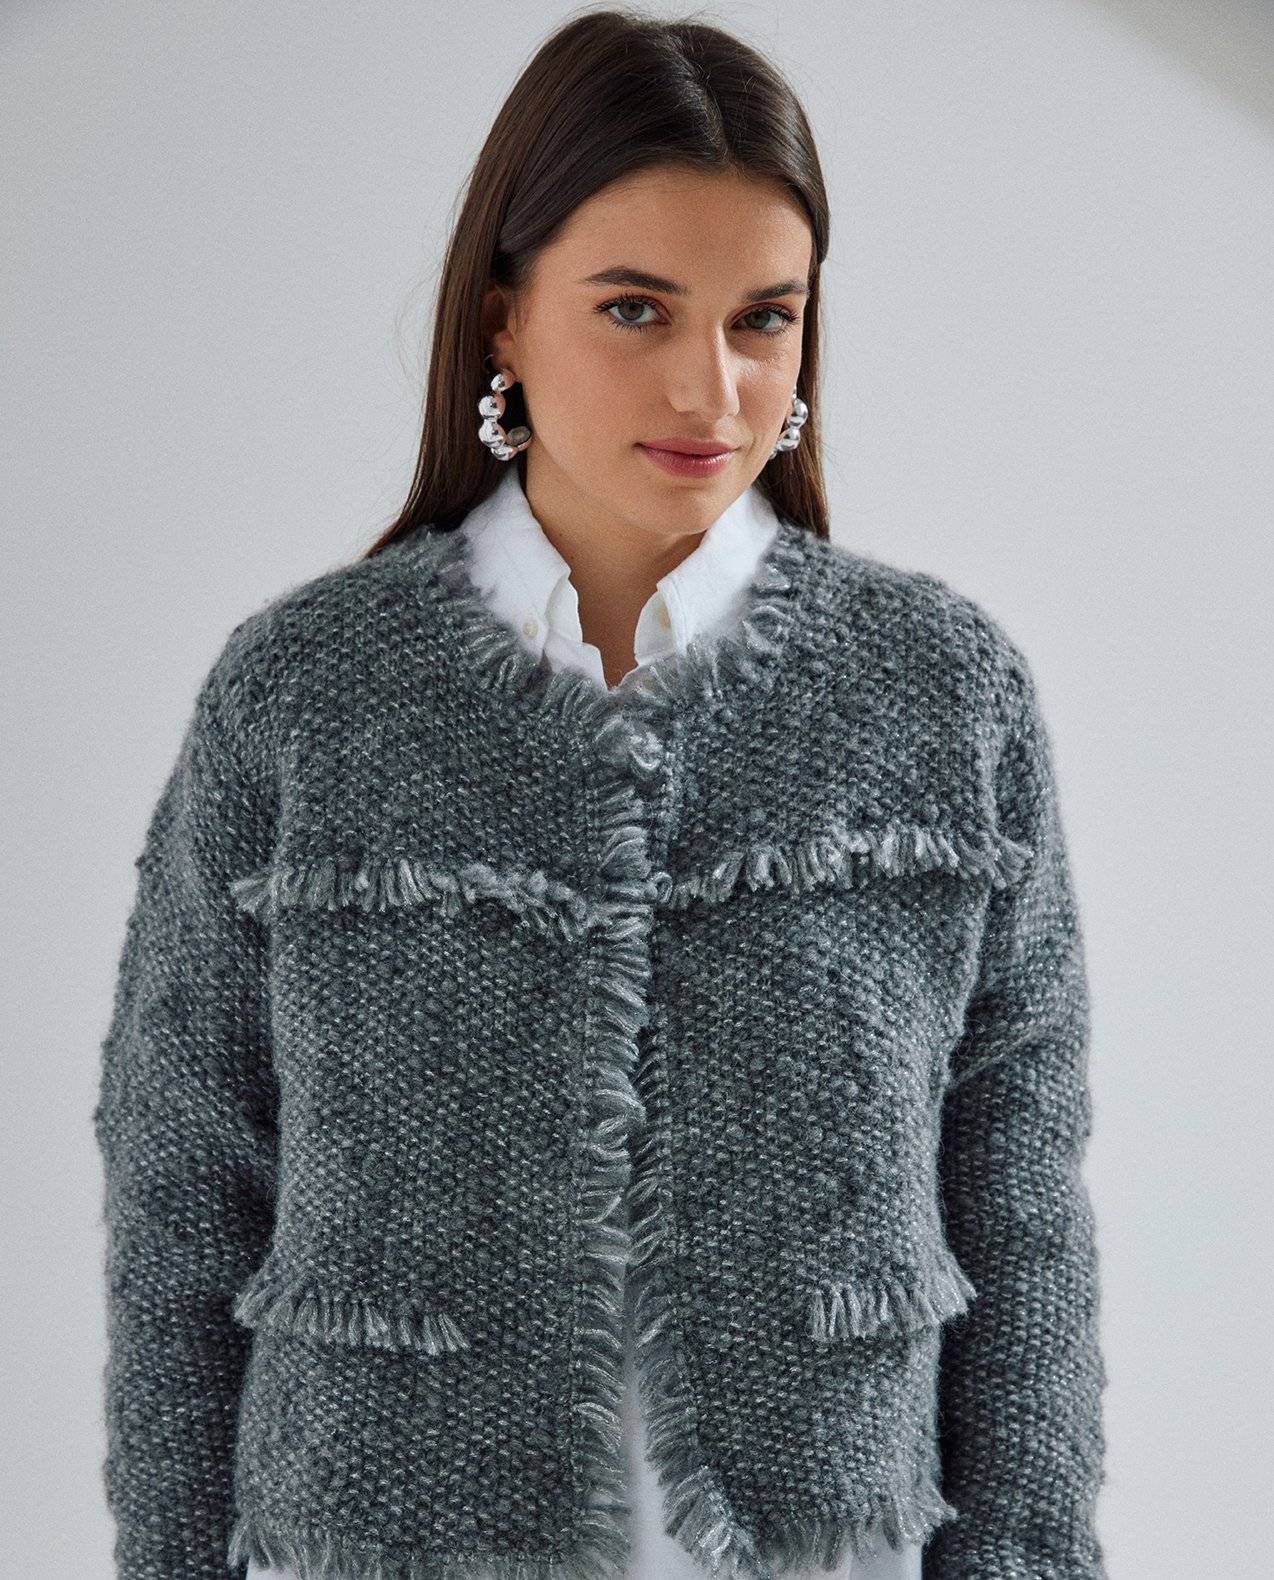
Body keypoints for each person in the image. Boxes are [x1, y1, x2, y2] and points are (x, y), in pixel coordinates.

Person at [92, 10, 1108, 1580]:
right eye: (634, 308)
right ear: (502, 319)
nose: (710, 387)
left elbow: (1017, 1193)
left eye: (763, 319)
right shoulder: (309, 691)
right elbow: (183, 1178)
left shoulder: (939, 689)